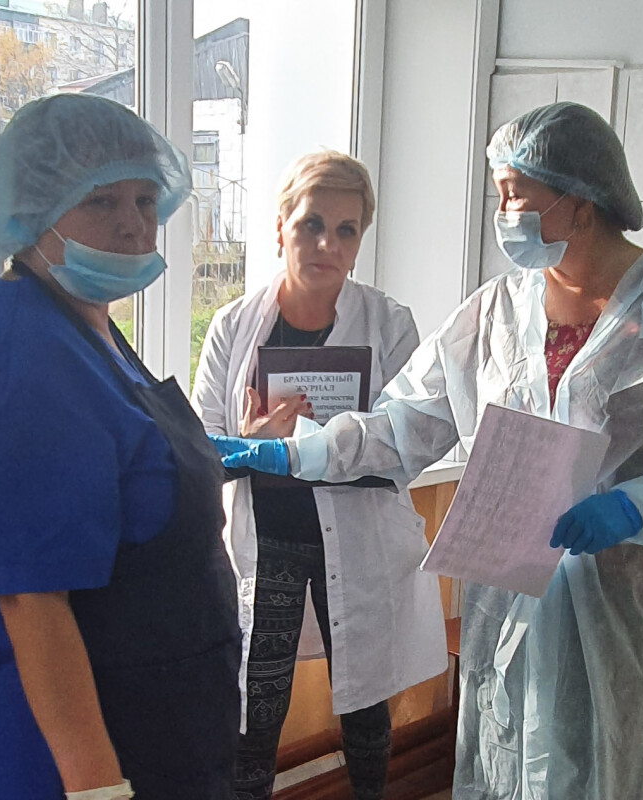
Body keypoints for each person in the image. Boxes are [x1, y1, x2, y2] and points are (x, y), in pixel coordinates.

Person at [221, 103, 643, 799]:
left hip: (615, 597)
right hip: (507, 594)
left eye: (515, 194)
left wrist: (634, 507)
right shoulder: (496, 311)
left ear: (579, 201)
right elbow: (403, 422)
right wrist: (298, 453)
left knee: (600, 764)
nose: (504, 214)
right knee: (499, 758)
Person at [0, 94, 241, 800]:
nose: (132, 223)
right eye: (100, 201)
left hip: (163, 718)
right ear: (34, 210)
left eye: (145, 199)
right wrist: (96, 789)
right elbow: (33, 599)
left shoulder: (86, 325)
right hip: (91, 752)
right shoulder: (26, 352)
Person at [192, 150, 447, 800]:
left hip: (360, 544)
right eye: (311, 224)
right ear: (280, 227)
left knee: (365, 710)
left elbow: (407, 442)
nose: (327, 244)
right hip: (270, 547)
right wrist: (250, 445)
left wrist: (311, 447)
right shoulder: (233, 326)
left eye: (345, 229)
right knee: (257, 716)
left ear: (360, 241)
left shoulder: (389, 325)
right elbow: (199, 451)